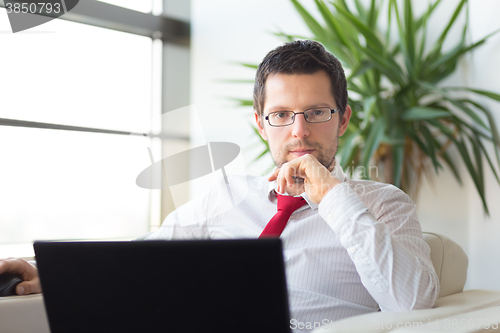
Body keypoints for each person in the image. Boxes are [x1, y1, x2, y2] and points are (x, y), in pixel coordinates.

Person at [0, 40, 439, 332]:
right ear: (261, 123)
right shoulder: (227, 197)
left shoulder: (384, 205)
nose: (299, 131)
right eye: (281, 115)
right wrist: (48, 274)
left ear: (343, 119)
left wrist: (332, 196)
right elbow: (140, 258)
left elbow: (414, 304)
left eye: (317, 113)